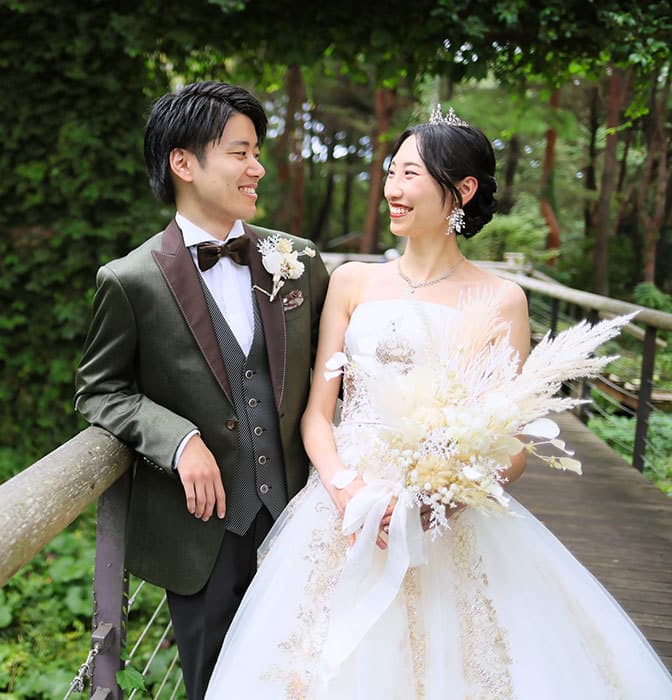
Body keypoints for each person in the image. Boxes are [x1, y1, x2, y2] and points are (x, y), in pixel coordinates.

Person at [206, 109, 672, 697]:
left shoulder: (502, 299)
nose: (392, 190)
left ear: (463, 189)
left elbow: (512, 449)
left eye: (410, 175)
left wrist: (441, 494)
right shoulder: (352, 282)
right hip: (342, 508)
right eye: (390, 173)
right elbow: (318, 416)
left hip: (444, 515)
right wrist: (347, 491)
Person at [73, 81, 329, 698]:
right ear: (183, 163)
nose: (257, 167)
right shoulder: (131, 279)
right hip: (202, 538)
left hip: (302, 521)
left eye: (257, 152)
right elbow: (99, 390)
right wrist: (178, 439)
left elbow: (339, 372)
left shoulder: (297, 261)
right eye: (240, 153)